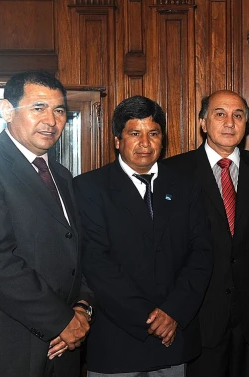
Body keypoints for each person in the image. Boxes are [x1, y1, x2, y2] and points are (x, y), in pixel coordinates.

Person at [0, 71, 91, 377]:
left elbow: (77, 252)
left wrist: (82, 308)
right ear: (7, 111)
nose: (51, 121)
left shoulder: (62, 176)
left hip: (63, 350)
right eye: (38, 108)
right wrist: (63, 321)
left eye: (59, 110)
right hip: (3, 350)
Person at [74, 96, 212, 376]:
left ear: (163, 139)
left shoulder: (187, 186)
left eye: (153, 133)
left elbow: (202, 254)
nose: (145, 143)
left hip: (173, 337)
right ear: (117, 140)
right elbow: (96, 263)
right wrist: (149, 320)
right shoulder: (89, 188)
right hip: (117, 340)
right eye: (134, 133)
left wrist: (173, 312)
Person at [161, 90, 249, 377]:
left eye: (238, 115)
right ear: (203, 123)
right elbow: (166, 247)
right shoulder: (174, 171)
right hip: (198, 316)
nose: (230, 122)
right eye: (220, 114)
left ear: (247, 125)